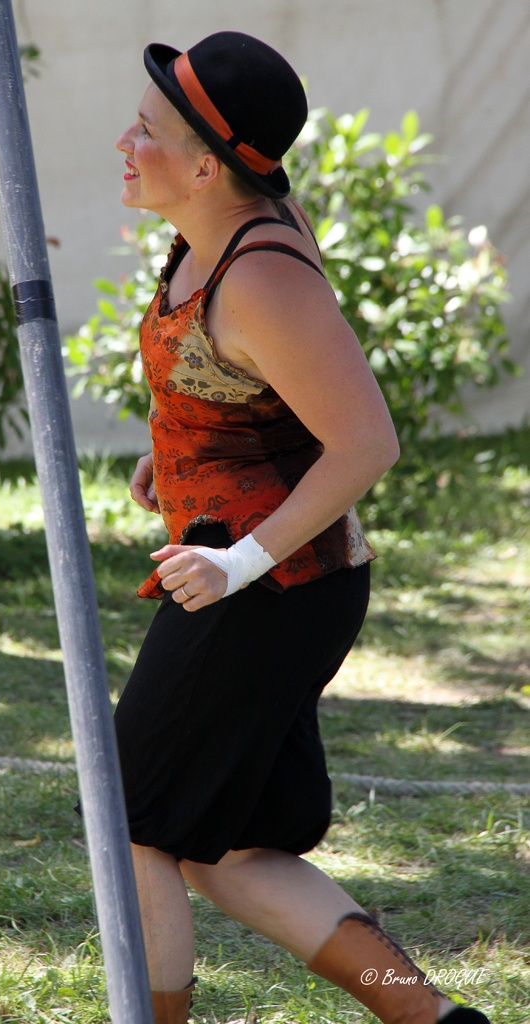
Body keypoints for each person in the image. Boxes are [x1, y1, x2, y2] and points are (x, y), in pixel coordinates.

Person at [112, 30, 491, 1024]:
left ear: (207, 166)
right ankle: (437, 1021)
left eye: (145, 130)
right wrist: (179, 444)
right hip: (273, 581)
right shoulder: (216, 228)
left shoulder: (262, 275)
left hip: (265, 588)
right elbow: (257, 393)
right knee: (233, 851)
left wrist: (238, 562)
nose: (123, 143)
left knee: (131, 821)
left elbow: (366, 441)